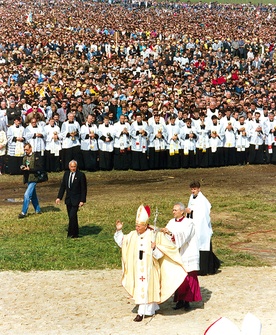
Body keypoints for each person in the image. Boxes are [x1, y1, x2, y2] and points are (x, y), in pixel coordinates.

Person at [114, 204, 186, 322]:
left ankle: (145, 311)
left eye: (139, 226)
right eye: (136, 226)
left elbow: (161, 254)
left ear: (145, 226)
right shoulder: (133, 235)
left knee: (150, 288)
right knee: (141, 288)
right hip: (138, 268)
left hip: (150, 268)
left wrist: (154, 248)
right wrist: (119, 230)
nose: (137, 228)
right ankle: (145, 310)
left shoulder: (154, 235)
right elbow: (122, 242)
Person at [161, 202, 202, 310]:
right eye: (173, 210)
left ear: (182, 211)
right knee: (178, 277)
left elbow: (183, 237)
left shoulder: (189, 223)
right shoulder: (171, 222)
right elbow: (168, 236)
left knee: (188, 277)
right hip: (177, 253)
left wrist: (170, 234)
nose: (173, 212)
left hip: (187, 252)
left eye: (175, 210)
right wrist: (164, 233)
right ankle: (179, 300)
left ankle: (188, 301)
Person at [185, 181, 221, 275]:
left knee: (204, 247)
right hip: (194, 225)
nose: (193, 191)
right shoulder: (191, 198)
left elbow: (203, 214)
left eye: (195, 189)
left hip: (202, 227)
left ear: (199, 189)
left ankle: (207, 268)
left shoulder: (202, 200)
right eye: (192, 189)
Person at [55, 160, 87, 238]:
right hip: (68, 199)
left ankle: (70, 234)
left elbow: (84, 189)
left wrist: (82, 200)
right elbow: (63, 186)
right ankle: (75, 233)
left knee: (72, 216)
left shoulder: (81, 175)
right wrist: (59, 197)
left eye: (74, 167)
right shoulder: (66, 174)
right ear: (69, 167)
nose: (73, 168)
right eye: (71, 167)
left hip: (76, 199)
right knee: (72, 217)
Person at [18, 143, 42, 218]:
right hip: (28, 178)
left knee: (27, 195)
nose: (26, 151)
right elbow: (23, 164)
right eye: (25, 149)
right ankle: (38, 210)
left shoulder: (36, 156)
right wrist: (22, 167)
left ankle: (23, 212)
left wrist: (30, 169)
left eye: (27, 149)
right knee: (33, 195)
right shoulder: (25, 157)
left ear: (31, 148)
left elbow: (39, 167)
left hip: (34, 178)